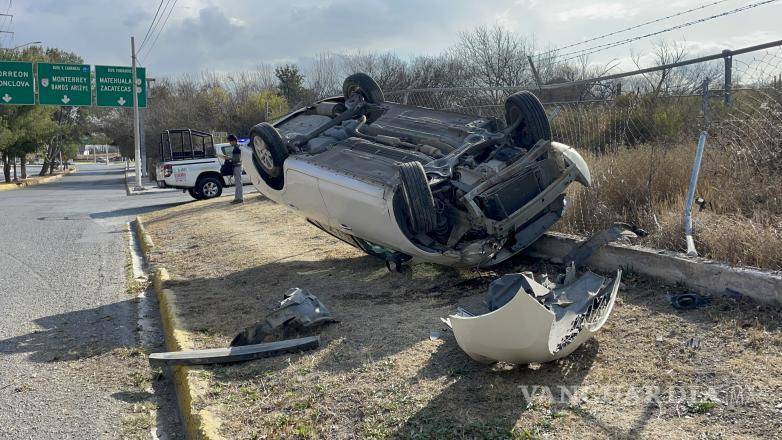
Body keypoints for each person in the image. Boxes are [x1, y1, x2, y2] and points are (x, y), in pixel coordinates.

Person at [228, 134, 243, 204]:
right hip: (237, 166)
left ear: (234, 141)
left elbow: (237, 159)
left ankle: (239, 198)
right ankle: (237, 198)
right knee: (237, 183)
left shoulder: (236, 148)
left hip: (237, 166)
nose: (229, 143)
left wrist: (228, 158)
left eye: (230, 141)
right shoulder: (237, 147)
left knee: (238, 183)